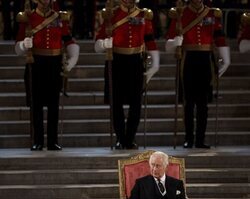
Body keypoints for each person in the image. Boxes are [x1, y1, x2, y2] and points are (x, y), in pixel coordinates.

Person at [94, 0, 160, 149]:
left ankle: (130, 138)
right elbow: (97, 43)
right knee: (116, 103)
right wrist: (105, 44)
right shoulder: (111, 14)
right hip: (116, 60)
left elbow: (149, 40)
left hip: (136, 61)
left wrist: (155, 62)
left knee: (135, 103)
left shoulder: (143, 15)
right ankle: (120, 138)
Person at [15, 0, 79, 151]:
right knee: (36, 105)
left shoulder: (59, 18)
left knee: (53, 105)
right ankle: (37, 141)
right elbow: (17, 45)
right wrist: (24, 44)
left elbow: (68, 40)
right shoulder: (28, 17)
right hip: (35, 63)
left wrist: (72, 59)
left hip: (54, 64)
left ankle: (52, 141)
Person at [165, 0, 230, 149]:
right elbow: (168, 42)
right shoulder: (180, 13)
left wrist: (226, 59)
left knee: (203, 104)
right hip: (188, 59)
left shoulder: (212, 13)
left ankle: (200, 139)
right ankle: (189, 138)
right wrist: (176, 42)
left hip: (206, 59)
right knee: (188, 103)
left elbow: (219, 37)